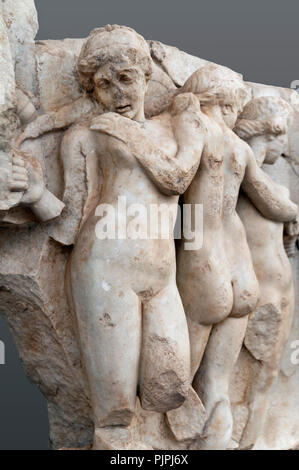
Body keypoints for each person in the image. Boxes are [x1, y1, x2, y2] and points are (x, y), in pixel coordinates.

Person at [62, 25, 210, 450]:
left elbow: (178, 177)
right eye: (103, 85)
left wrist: (125, 132)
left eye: (125, 78)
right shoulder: (83, 136)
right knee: (115, 412)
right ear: (93, 91)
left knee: (171, 385)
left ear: (146, 75)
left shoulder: (174, 128)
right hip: (104, 270)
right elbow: (70, 220)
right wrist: (31, 195)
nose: (117, 93)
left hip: (160, 277)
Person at [172, 65, 298, 449]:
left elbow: (172, 182)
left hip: (205, 263)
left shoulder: (195, 131)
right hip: (242, 272)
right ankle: (216, 440)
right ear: (226, 103)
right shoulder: (240, 148)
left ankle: (171, 444)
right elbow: (274, 201)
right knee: (217, 383)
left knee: (179, 382)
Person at [235, 96, 298, 448]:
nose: (286, 143)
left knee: (267, 373)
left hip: (281, 284)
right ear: (270, 131)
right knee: (251, 375)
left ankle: (254, 440)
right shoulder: (240, 169)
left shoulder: (269, 182)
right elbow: (276, 206)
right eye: (283, 133)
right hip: (257, 290)